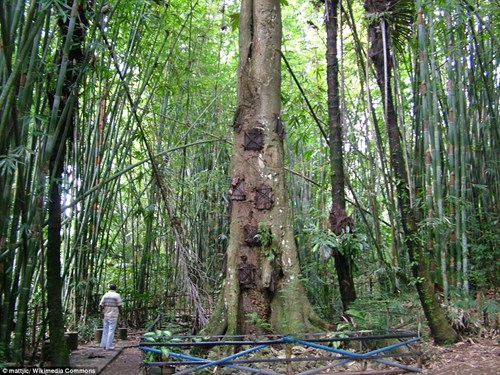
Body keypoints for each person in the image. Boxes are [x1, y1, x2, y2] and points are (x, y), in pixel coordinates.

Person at [99, 283, 123, 350]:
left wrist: (101, 312)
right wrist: (121, 314)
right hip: (113, 315)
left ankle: (103, 344)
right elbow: (120, 306)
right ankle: (109, 346)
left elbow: (101, 305)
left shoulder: (105, 295)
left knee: (105, 330)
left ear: (109, 288)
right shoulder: (117, 295)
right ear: (115, 288)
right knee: (111, 330)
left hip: (105, 314)